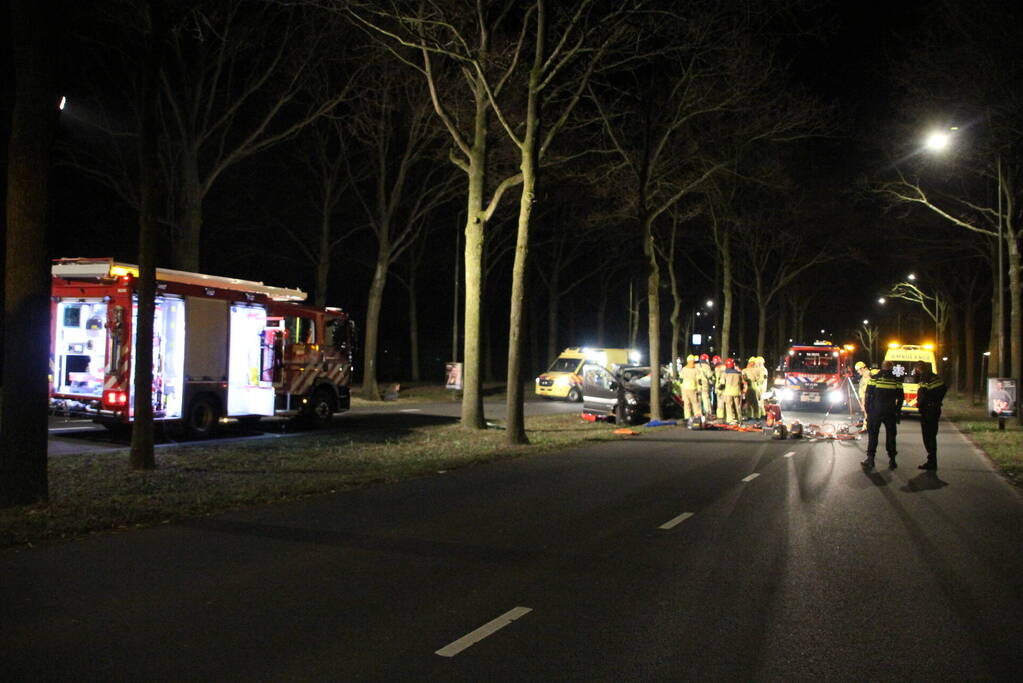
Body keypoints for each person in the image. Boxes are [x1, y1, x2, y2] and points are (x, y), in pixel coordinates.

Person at [862, 360, 904, 470]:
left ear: (882, 366)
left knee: (873, 436)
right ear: (891, 368)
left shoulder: (875, 378)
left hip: (875, 412)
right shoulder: (896, 380)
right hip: (890, 412)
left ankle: (870, 459)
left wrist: (868, 409)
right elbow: (900, 398)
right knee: (891, 436)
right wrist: (897, 411)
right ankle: (892, 460)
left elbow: (868, 395)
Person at [915, 361, 947, 470]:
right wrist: (937, 401)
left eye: (916, 369)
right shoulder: (935, 377)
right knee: (932, 435)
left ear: (919, 368)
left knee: (928, 436)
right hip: (935, 409)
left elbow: (923, 393)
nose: (916, 371)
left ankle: (931, 461)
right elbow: (944, 389)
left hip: (928, 411)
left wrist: (919, 406)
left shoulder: (924, 378)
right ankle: (932, 460)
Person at [678, 355, 703, 420]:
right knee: (695, 404)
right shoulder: (696, 370)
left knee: (686, 404)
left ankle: (687, 418)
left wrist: (681, 389)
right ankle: (697, 417)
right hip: (693, 389)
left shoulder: (684, 369)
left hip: (685, 389)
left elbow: (680, 380)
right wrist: (699, 388)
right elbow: (699, 380)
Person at [722, 358, 745, 425]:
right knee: (737, 406)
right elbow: (741, 383)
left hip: (728, 392)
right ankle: (739, 419)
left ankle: (731, 420)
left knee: (729, 406)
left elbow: (722, 383)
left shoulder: (725, 373)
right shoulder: (738, 373)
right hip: (737, 391)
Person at [855, 361, 872, 431]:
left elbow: (866, 390)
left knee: (866, 413)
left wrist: (863, 402)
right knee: (866, 413)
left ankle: (866, 427)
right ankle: (865, 426)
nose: (858, 372)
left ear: (862, 368)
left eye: (858, 370)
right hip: (866, 398)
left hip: (866, 398)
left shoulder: (866, 376)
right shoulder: (866, 375)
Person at [713, 355, 727, 420]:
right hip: (718, 389)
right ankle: (720, 416)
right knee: (720, 403)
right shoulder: (717, 369)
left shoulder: (723, 369)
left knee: (723, 403)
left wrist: (722, 384)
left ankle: (723, 417)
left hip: (722, 388)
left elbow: (723, 378)